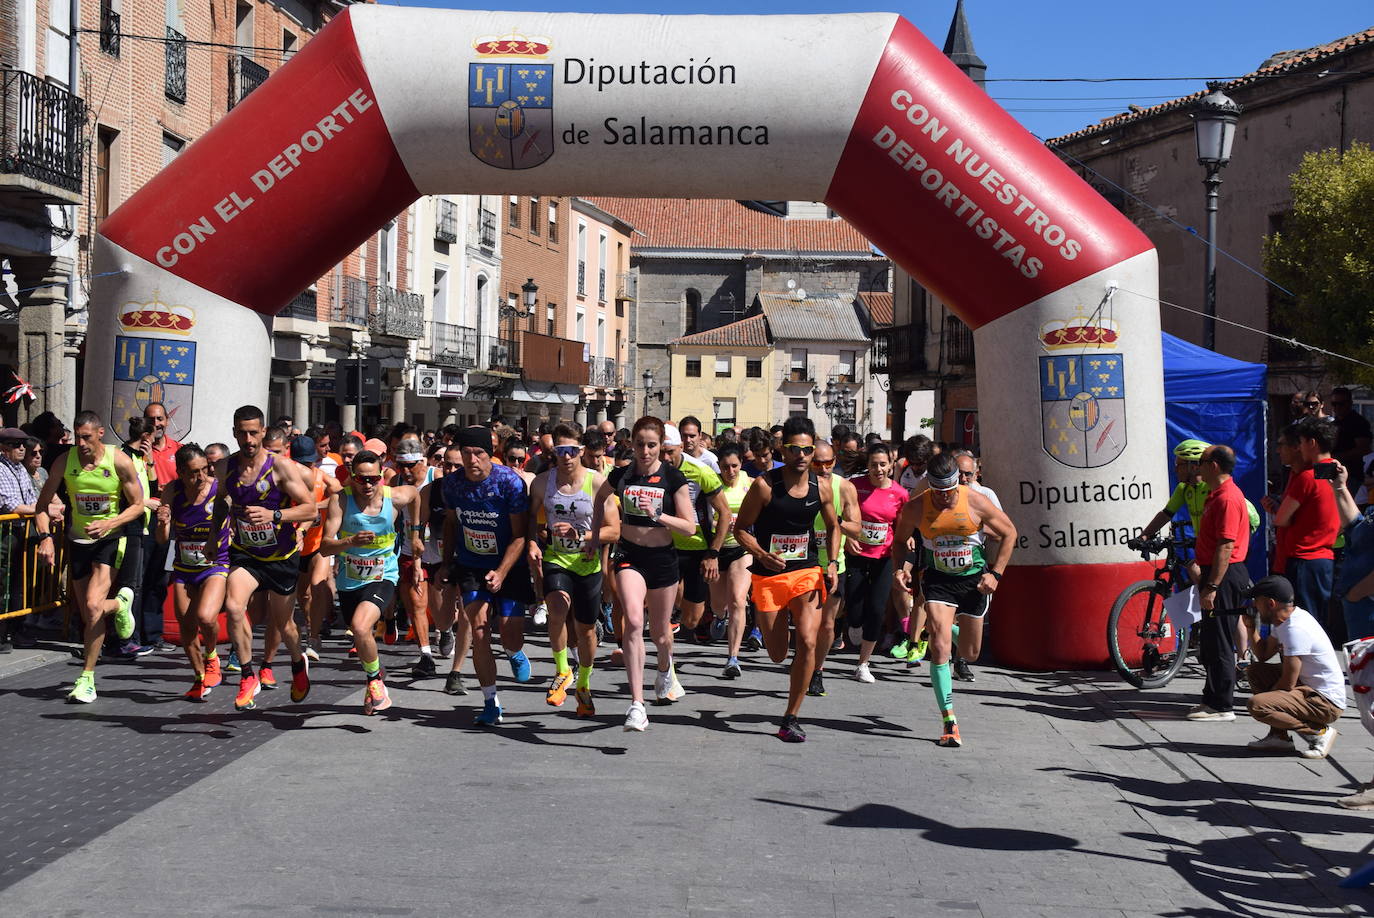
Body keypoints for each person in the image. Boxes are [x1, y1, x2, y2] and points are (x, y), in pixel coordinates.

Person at [892, 451, 1016, 747]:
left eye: (951, 490)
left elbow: (1010, 533)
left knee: (970, 653)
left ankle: (951, 632)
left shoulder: (974, 500)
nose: (947, 497)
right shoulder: (916, 507)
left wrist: (996, 574)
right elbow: (899, 540)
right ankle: (949, 720)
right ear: (930, 486)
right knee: (939, 647)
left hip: (974, 582)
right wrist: (900, 569)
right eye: (940, 492)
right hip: (937, 581)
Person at [733, 416, 840, 743]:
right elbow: (740, 530)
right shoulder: (765, 486)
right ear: (784, 449)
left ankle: (791, 716)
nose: (802, 455)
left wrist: (832, 563)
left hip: (806, 571)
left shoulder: (821, 487)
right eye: (795, 449)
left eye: (807, 450)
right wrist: (762, 555)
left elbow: (834, 526)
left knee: (808, 640)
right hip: (768, 576)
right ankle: (772, 637)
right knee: (778, 653)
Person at [210, 405, 320, 711]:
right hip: (246, 553)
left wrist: (274, 514)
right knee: (233, 606)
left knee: (284, 626)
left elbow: (310, 509)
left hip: (281, 556)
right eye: (242, 433)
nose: (248, 439)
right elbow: (221, 504)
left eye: (254, 433)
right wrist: (212, 537)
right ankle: (248, 675)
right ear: (234, 433)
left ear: (262, 432)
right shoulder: (225, 468)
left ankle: (298, 664)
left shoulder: (281, 468)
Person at [591, 416, 697, 731]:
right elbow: (599, 499)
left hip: (663, 559)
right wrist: (595, 538)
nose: (645, 451)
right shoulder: (622, 474)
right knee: (634, 622)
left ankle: (664, 669)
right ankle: (637, 705)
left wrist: (660, 515)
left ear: (660, 445)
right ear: (632, 445)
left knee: (662, 635)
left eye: (652, 445)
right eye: (640, 445)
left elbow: (689, 527)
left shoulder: (673, 478)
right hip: (629, 555)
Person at [33, 411, 144, 703]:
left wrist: (109, 523)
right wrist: (45, 539)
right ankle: (120, 605)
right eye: (77, 436)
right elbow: (41, 506)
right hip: (78, 542)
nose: (80, 443)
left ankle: (86, 677)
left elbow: (138, 504)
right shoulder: (63, 462)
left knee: (94, 606)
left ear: (99, 435)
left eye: (86, 437)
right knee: (88, 614)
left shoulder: (118, 460)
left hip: (109, 540)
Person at [440, 425, 537, 726]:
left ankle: (513, 650)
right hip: (471, 564)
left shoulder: (509, 483)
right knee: (479, 630)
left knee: (510, 632)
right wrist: (446, 564)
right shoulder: (452, 484)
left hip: (509, 563)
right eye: (466, 454)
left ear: (490, 454)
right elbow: (451, 525)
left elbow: (520, 535)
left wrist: (502, 571)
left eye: (479, 453)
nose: (472, 460)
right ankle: (490, 702)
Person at [528, 425, 619, 715]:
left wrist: (581, 537)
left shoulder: (598, 483)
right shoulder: (542, 483)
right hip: (557, 558)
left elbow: (614, 530)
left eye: (571, 451)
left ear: (580, 451)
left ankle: (583, 683)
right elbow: (530, 519)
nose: (566, 457)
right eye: (560, 451)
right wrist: (532, 542)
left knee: (587, 630)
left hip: (587, 563)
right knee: (556, 606)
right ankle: (562, 669)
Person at [320, 450, 420, 715]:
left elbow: (415, 494)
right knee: (362, 633)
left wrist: (416, 533)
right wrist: (350, 542)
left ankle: (375, 681)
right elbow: (324, 547)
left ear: (381, 478)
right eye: (361, 479)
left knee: (359, 626)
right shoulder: (340, 501)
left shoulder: (394, 497)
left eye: (373, 479)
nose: (367, 485)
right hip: (349, 581)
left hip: (383, 576)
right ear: (352, 478)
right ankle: (374, 678)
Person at [156, 443, 230, 701]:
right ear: (180, 472)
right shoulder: (172, 491)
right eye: (192, 472)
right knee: (186, 629)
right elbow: (162, 539)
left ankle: (211, 656)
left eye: (203, 470)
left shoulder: (218, 489)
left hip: (215, 564)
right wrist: (163, 522)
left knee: (207, 618)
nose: (199, 477)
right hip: (184, 567)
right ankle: (199, 678)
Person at [1243, 575, 1344, 759]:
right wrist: (1250, 627)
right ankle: (1279, 736)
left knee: (1257, 706)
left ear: (1270, 603)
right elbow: (1264, 654)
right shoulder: (1284, 621)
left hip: (1325, 703)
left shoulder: (1295, 629)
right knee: (1256, 671)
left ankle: (1319, 732)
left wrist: (1269, 699)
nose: (1254, 606)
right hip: (1308, 689)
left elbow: (1287, 683)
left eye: (1256, 602)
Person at [1187, 444, 1252, 722]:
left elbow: (1225, 546)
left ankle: (1223, 706)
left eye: (1200, 462)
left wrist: (1212, 586)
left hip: (1224, 575)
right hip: (1217, 573)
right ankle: (1211, 699)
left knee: (1222, 638)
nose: (1196, 467)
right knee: (1212, 639)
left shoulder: (1227, 498)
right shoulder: (1218, 495)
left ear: (1213, 465)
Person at [847, 442, 914, 684]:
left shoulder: (900, 493)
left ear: (890, 465)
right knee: (854, 611)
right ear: (867, 465)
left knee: (876, 610)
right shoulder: (854, 487)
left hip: (883, 558)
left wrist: (906, 553)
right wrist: (846, 538)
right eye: (874, 465)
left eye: (883, 464)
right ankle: (854, 625)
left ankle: (863, 664)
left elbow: (901, 529)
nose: (878, 469)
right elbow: (841, 516)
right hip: (855, 555)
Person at [661, 423, 731, 644]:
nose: (664, 457)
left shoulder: (701, 471)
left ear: (681, 447)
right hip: (665, 546)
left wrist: (713, 553)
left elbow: (725, 513)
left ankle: (695, 615)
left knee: (691, 620)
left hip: (697, 548)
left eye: (670, 452)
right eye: (660, 451)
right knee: (658, 601)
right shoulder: (649, 469)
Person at [1266, 418, 1339, 626]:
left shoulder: (1308, 476)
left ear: (1310, 443)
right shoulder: (1333, 470)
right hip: (1322, 557)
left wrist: (1283, 515)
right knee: (1314, 622)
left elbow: (1281, 519)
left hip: (1303, 558)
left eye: (1301, 441)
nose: (1278, 450)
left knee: (1300, 625)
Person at [805, 440, 860, 696]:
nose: (824, 469)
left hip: (833, 564)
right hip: (803, 562)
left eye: (828, 463)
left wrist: (834, 521)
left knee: (827, 625)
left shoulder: (845, 488)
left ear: (834, 462)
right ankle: (804, 662)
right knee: (807, 625)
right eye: (818, 463)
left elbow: (857, 528)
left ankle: (818, 670)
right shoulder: (799, 485)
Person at [289, 435, 340, 661]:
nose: (306, 467)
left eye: (309, 463)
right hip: (294, 546)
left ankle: (314, 636)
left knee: (318, 586)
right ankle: (311, 626)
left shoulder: (322, 477)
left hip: (318, 544)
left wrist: (315, 506)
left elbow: (341, 494)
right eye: (302, 463)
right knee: (304, 595)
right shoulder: (285, 480)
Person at [710, 443, 754, 679]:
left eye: (735, 466)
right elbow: (703, 517)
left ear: (741, 465)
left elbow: (762, 508)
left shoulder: (749, 483)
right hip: (718, 549)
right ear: (719, 467)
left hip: (741, 548)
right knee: (719, 603)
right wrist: (719, 524)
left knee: (738, 599)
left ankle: (733, 658)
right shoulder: (712, 485)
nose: (731, 471)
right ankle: (719, 617)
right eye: (726, 467)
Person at [1327, 459, 1374, 645]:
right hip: (1361, 609)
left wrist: (1355, 593)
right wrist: (1340, 488)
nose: (1367, 480)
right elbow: (1355, 526)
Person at [1329, 387, 1372, 474]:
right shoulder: (1334, 422)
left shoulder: (1358, 422)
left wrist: (1337, 456)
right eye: (1334, 404)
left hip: (1352, 473)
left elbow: (1363, 449)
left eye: (1341, 404)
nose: (1337, 407)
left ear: (1350, 403)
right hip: (1333, 471)